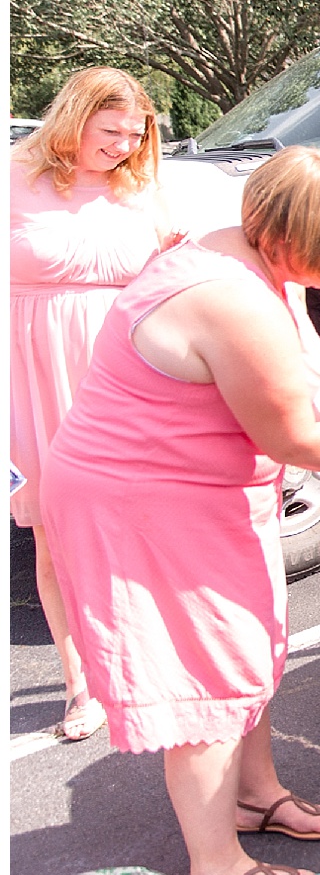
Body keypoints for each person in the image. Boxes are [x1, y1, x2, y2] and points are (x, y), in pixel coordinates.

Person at [40, 147, 320, 875]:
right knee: (205, 675)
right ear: (288, 239)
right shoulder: (229, 296)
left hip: (197, 490)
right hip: (147, 502)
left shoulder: (245, 255)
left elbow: (282, 381)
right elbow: (296, 441)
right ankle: (220, 866)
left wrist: (313, 390)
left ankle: (253, 793)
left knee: (249, 649)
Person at [10, 67, 181, 744]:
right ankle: (82, 682)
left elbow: (179, 276)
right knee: (56, 530)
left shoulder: (141, 190)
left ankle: (150, 664)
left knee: (144, 519)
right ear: (73, 119)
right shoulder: (12, 176)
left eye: (135, 134)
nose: (123, 145)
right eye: (109, 131)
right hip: (33, 376)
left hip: (126, 376)